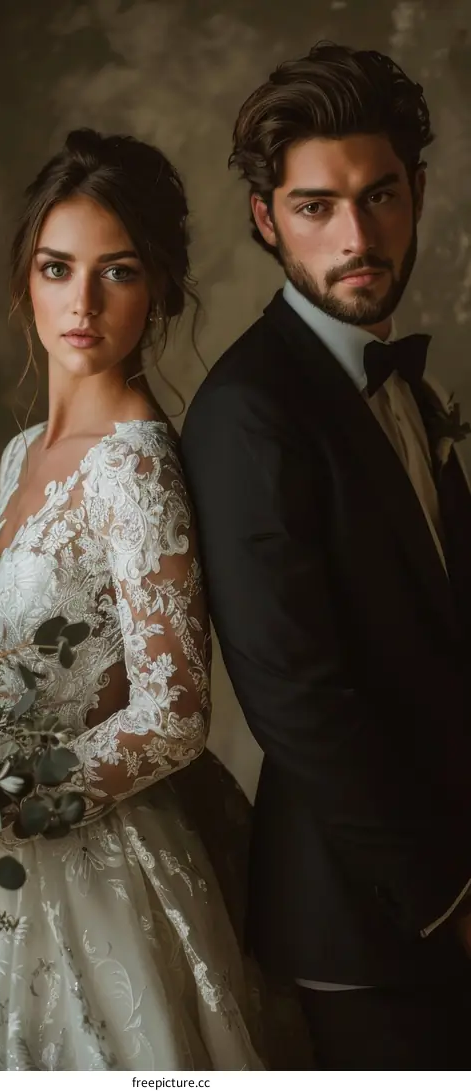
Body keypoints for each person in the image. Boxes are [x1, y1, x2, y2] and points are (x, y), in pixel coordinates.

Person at [0, 128, 261, 1072]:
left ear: (158, 288)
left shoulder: (135, 462)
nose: (81, 302)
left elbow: (173, 715)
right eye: (58, 267)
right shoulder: (22, 455)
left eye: (117, 272)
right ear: (25, 279)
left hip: (89, 870)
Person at [181, 43, 471, 1069]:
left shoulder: (398, 384)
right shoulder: (251, 413)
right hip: (377, 923)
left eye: (380, 195)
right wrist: (448, 894)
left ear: (417, 190)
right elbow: (296, 691)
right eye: (315, 207)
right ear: (266, 219)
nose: (357, 235)